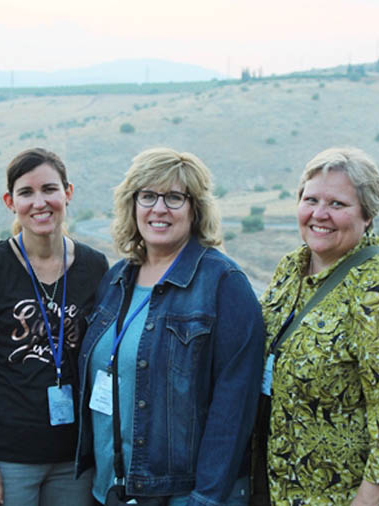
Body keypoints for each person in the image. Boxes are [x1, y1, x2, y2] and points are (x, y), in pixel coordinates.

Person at [75, 147, 265, 505]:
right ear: (132, 205)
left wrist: (205, 498)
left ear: (196, 209)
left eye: (174, 197)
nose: (158, 209)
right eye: (147, 196)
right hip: (111, 490)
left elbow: (235, 408)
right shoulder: (116, 280)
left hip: (184, 494)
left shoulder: (224, 284)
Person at [260, 147, 379, 505]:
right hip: (285, 490)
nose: (319, 214)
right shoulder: (290, 270)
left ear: (368, 215)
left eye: (337, 204)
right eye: (311, 200)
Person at [0, 148, 109, 506]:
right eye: (26, 193)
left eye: (49, 189)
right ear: (10, 202)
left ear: (68, 193)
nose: (39, 202)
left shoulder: (95, 266)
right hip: (9, 457)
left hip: (74, 459)